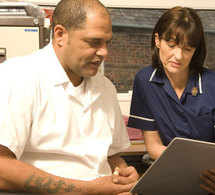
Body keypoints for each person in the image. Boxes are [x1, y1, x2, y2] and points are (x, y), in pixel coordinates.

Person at [128, 6, 215, 195]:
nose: (178, 56)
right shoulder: (144, 81)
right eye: (171, 45)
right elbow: (153, 146)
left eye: (187, 49)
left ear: (195, 50)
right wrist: (187, 168)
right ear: (157, 40)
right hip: (179, 169)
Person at [0, 0, 139, 194]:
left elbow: (111, 156)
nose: (104, 52)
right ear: (60, 35)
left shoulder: (105, 88)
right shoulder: (18, 76)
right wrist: (91, 189)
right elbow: (2, 169)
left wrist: (123, 173)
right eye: (94, 42)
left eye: (107, 42)